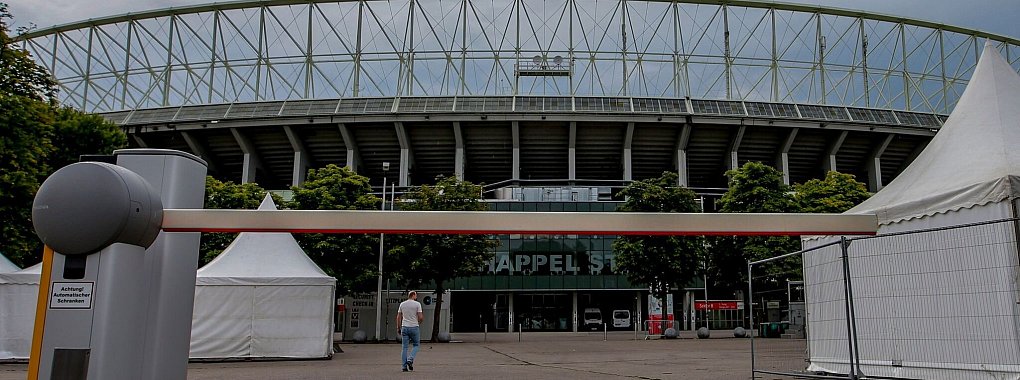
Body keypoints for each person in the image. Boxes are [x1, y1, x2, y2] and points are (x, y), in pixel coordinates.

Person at [396, 290, 424, 372]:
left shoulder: (402, 304)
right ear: (413, 295)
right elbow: (421, 317)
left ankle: (404, 367)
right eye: (416, 295)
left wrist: (398, 327)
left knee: (404, 347)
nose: (416, 297)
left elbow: (398, 317)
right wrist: (419, 322)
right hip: (414, 327)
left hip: (404, 327)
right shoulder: (417, 304)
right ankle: (410, 359)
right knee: (416, 345)